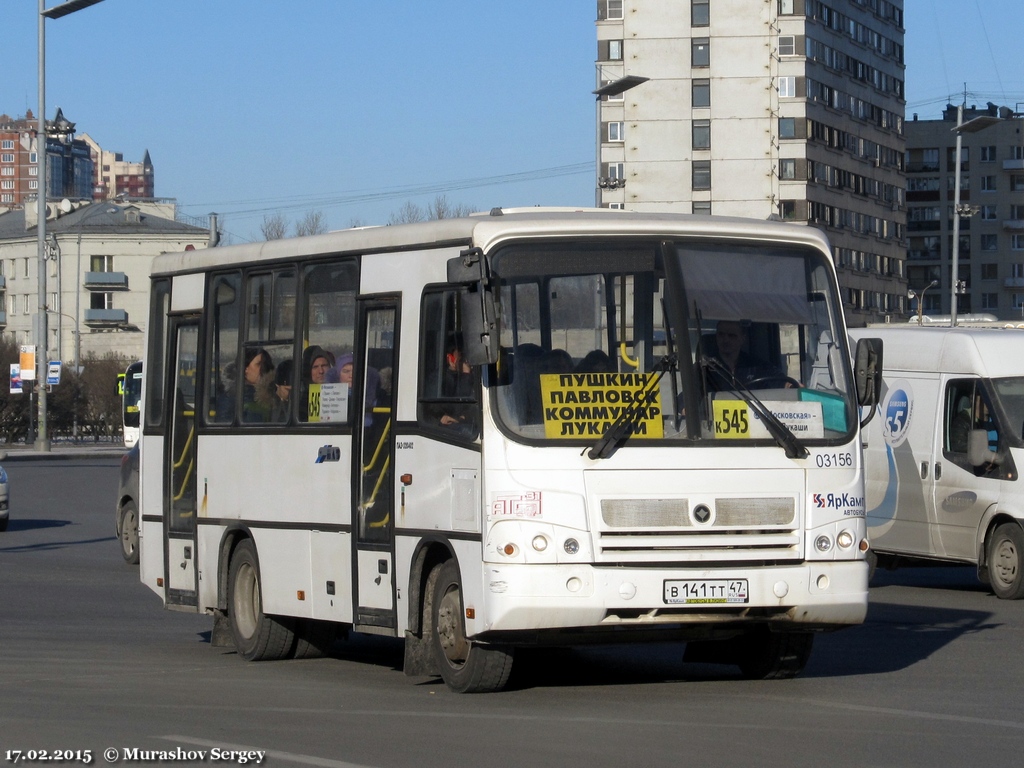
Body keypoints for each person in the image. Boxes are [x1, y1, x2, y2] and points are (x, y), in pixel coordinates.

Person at [705, 320, 786, 391]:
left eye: (731, 335)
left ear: (742, 338)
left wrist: (788, 385)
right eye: (721, 334)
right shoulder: (704, 369)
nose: (726, 340)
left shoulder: (756, 367)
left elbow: (781, 382)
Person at [241, 348, 274, 423]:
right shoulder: (236, 397)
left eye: (265, 364)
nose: (264, 368)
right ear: (245, 368)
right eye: (259, 364)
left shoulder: (275, 392)